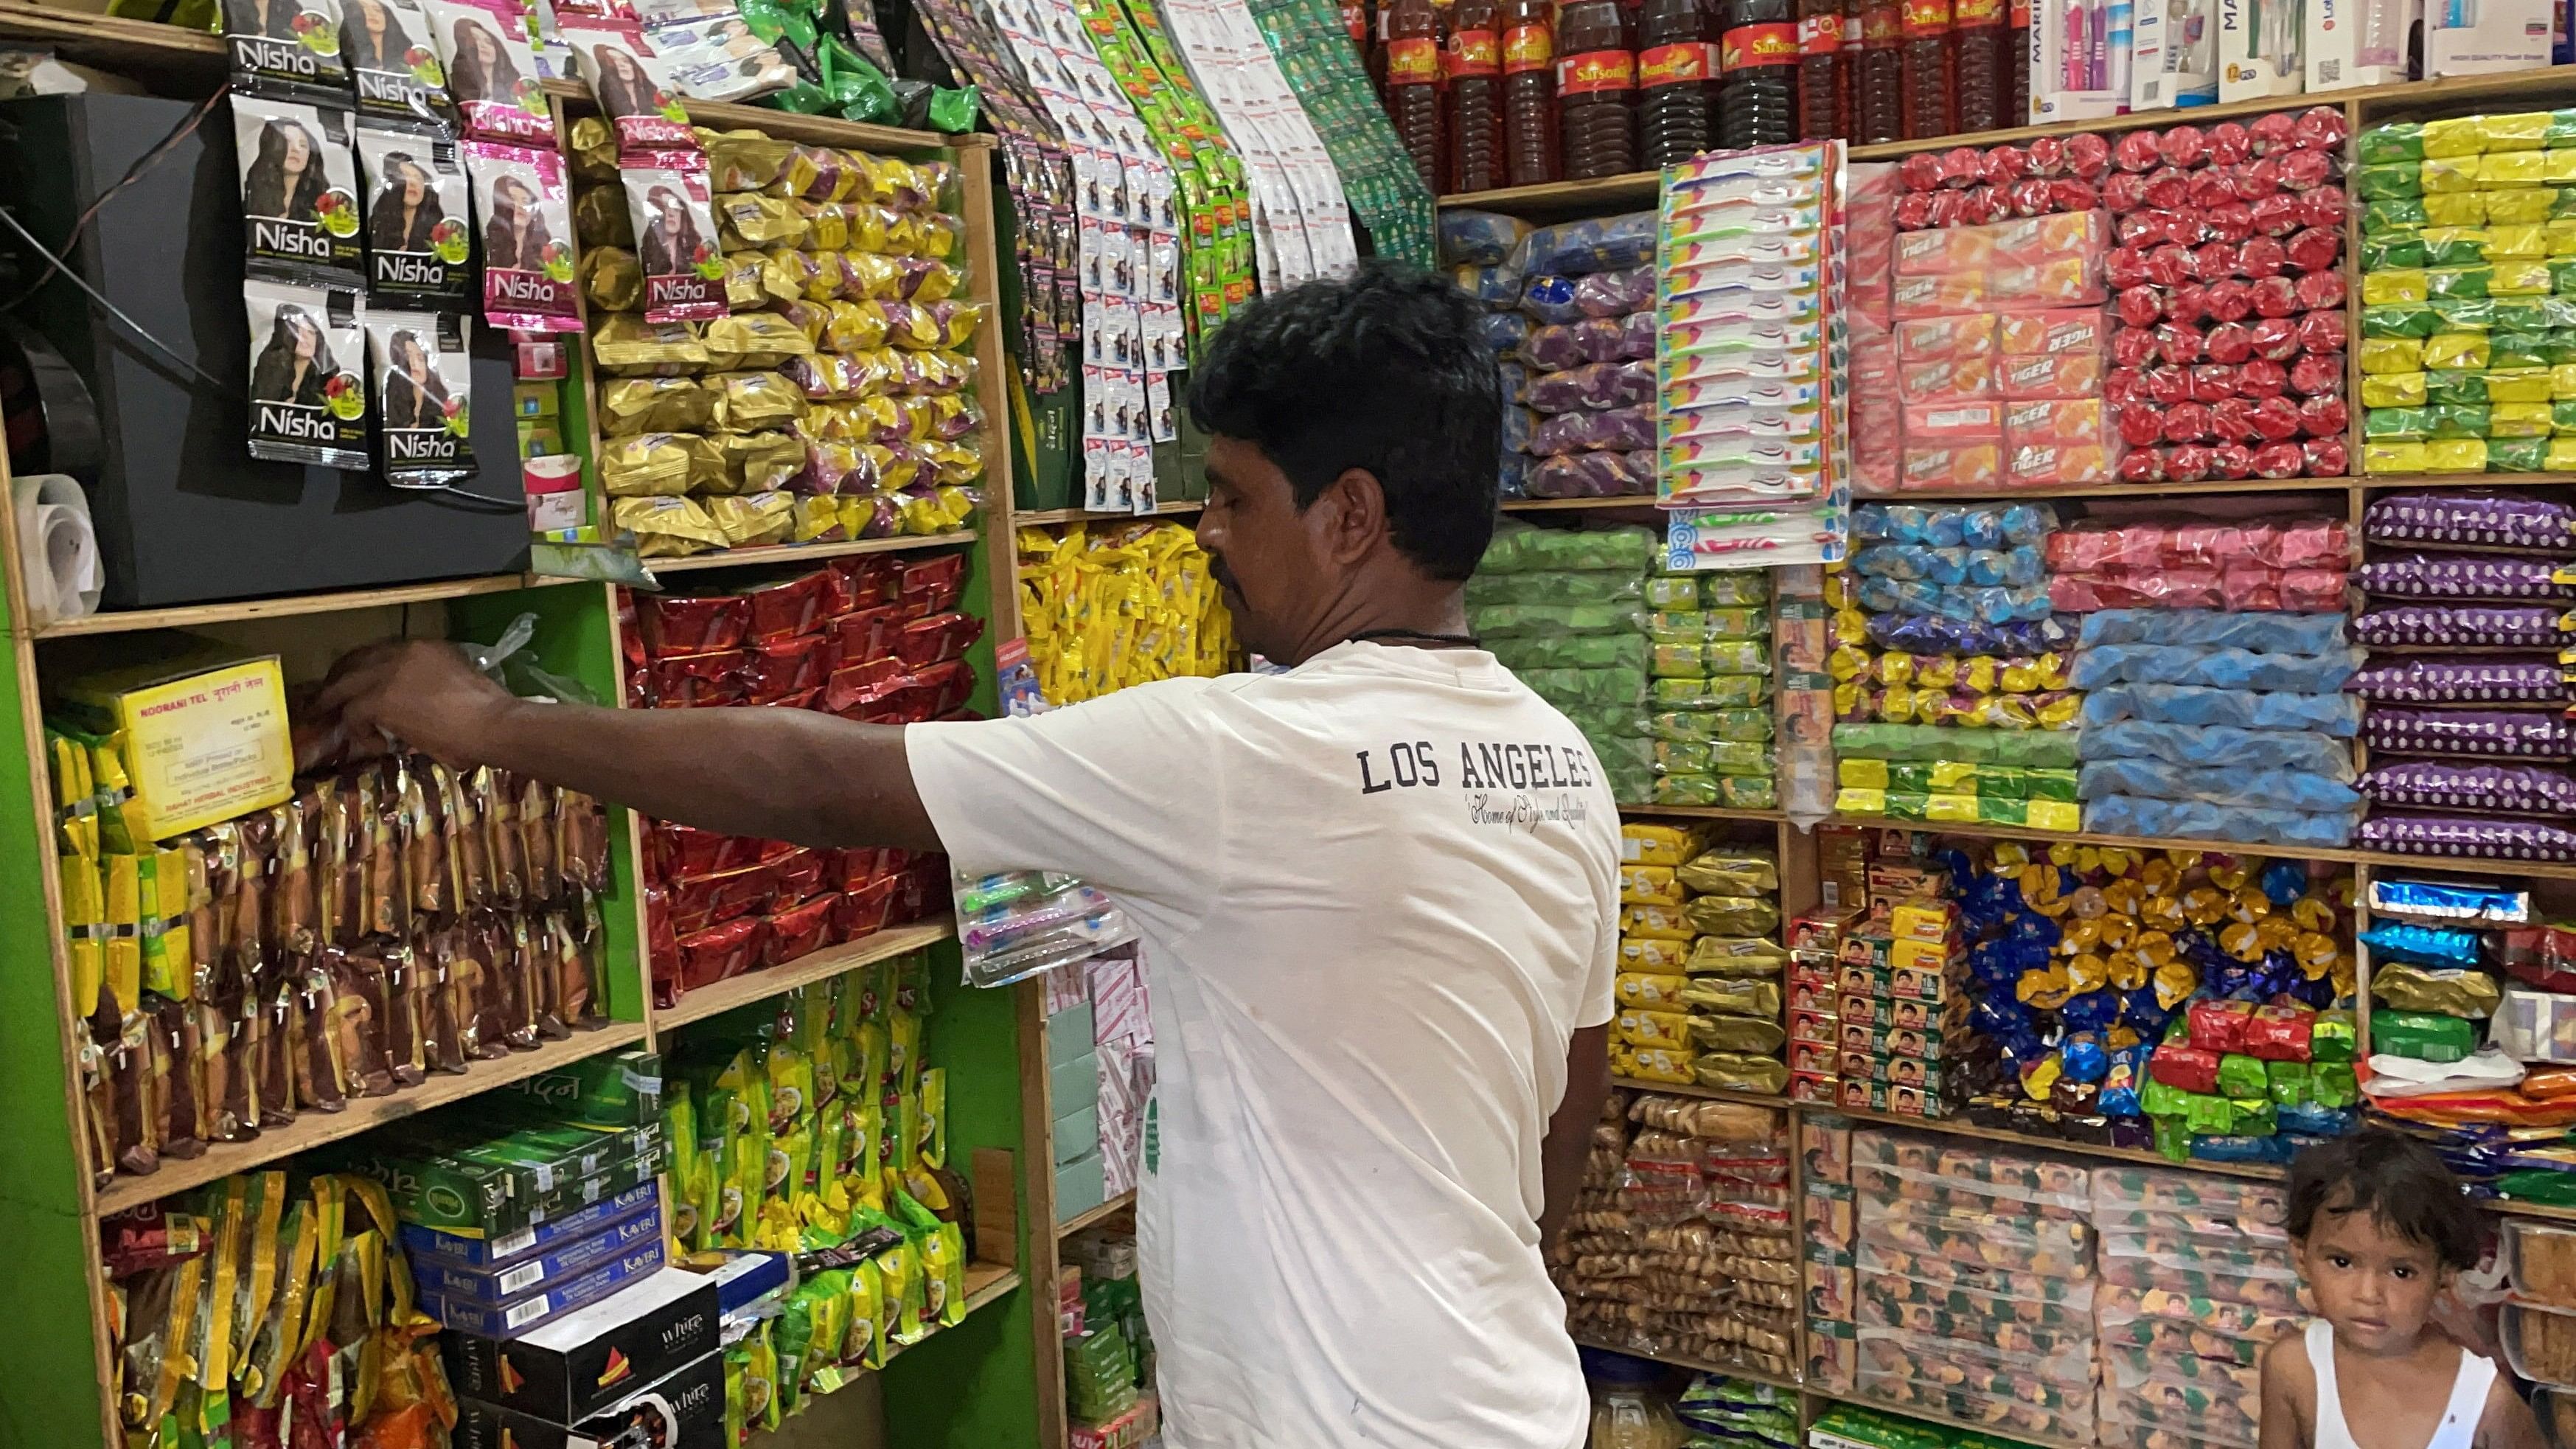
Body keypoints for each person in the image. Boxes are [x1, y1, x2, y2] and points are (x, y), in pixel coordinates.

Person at [299, 261, 1618, 1449]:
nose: (1204, 533)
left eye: (1230, 496)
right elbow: (1568, 1093)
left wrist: (486, 719)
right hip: (1505, 1391)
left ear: (1348, 517)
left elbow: (826, 781)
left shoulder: (1250, 754)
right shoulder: (1561, 764)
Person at [2262, 1130, 2544, 1449]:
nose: (2368, 1294)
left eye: (2401, 1272)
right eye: (2342, 1262)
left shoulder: (2485, 1401)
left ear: (2444, 1276)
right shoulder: (2293, 1369)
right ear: (2301, 1257)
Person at [243, 118, 326, 222]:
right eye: (287, 142)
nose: (296, 149)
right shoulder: (253, 200)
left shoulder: (319, 205)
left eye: (303, 145)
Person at [251, 305, 332, 406]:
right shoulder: (270, 371)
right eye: (298, 331)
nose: (305, 337)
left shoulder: (328, 379)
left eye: (311, 332)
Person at [369, 153, 445, 252]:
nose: (412, 183)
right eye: (404, 177)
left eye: (418, 178)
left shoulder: (439, 231)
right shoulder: (378, 226)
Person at [379, 329, 448, 431]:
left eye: (420, 358)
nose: (414, 364)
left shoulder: (440, 402)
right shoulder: (390, 397)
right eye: (408, 357)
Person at [446, 13, 521, 106]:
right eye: (475, 41)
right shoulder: (456, 81)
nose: (483, 46)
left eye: (488, 42)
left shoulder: (514, 81)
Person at [481, 172, 549, 273]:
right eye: (512, 199)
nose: (520, 205)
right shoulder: (487, 248)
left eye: (525, 202)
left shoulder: (544, 250)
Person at [636, 184, 705, 278]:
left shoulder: (693, 253)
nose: (671, 213)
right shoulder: (646, 253)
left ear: (683, 218)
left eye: (676, 209)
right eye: (665, 208)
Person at [590, 41, 661, 122]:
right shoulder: (607, 102)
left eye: (626, 61)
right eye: (614, 60)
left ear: (633, 66)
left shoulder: (654, 96)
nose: (622, 65)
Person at [341, 0, 417, 74]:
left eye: (377, 10)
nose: (372, 14)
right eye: (362, 8)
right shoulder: (346, 54)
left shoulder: (407, 56)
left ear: (387, 16)